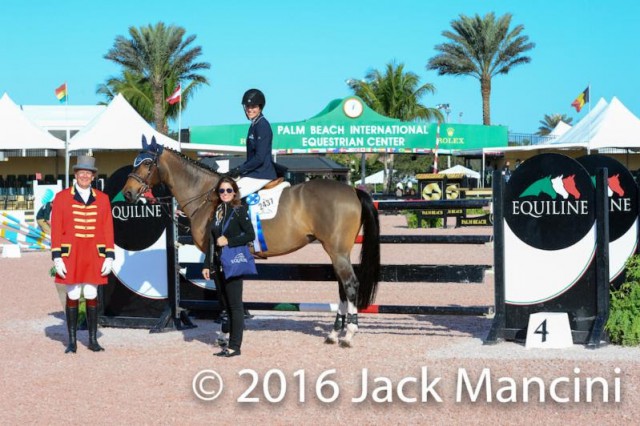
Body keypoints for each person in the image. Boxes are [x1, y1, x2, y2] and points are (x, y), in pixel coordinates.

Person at [51, 155, 115, 354]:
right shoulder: (62, 197)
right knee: (72, 293)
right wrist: (57, 256)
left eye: (88, 173)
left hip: (94, 254)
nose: (85, 176)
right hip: (71, 254)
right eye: (81, 173)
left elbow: (107, 228)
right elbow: (56, 228)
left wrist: (109, 255)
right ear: (76, 175)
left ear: (93, 176)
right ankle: (72, 341)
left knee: (91, 293)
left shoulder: (103, 199)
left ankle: (93, 340)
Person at [202, 177, 255, 357]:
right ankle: (229, 344)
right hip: (217, 264)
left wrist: (229, 241)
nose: (225, 194)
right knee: (225, 304)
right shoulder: (215, 212)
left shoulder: (238, 211)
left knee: (235, 305)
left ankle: (235, 346)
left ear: (234, 193)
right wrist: (207, 264)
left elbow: (250, 234)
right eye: (222, 191)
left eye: (229, 190)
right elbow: (210, 240)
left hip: (232, 263)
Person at [227, 89, 277, 197]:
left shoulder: (262, 125)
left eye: (253, 107)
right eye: (247, 106)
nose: (250, 109)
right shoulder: (254, 124)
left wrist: (240, 169)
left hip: (261, 174)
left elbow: (260, 157)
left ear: (260, 107)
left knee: (230, 194)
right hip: (254, 173)